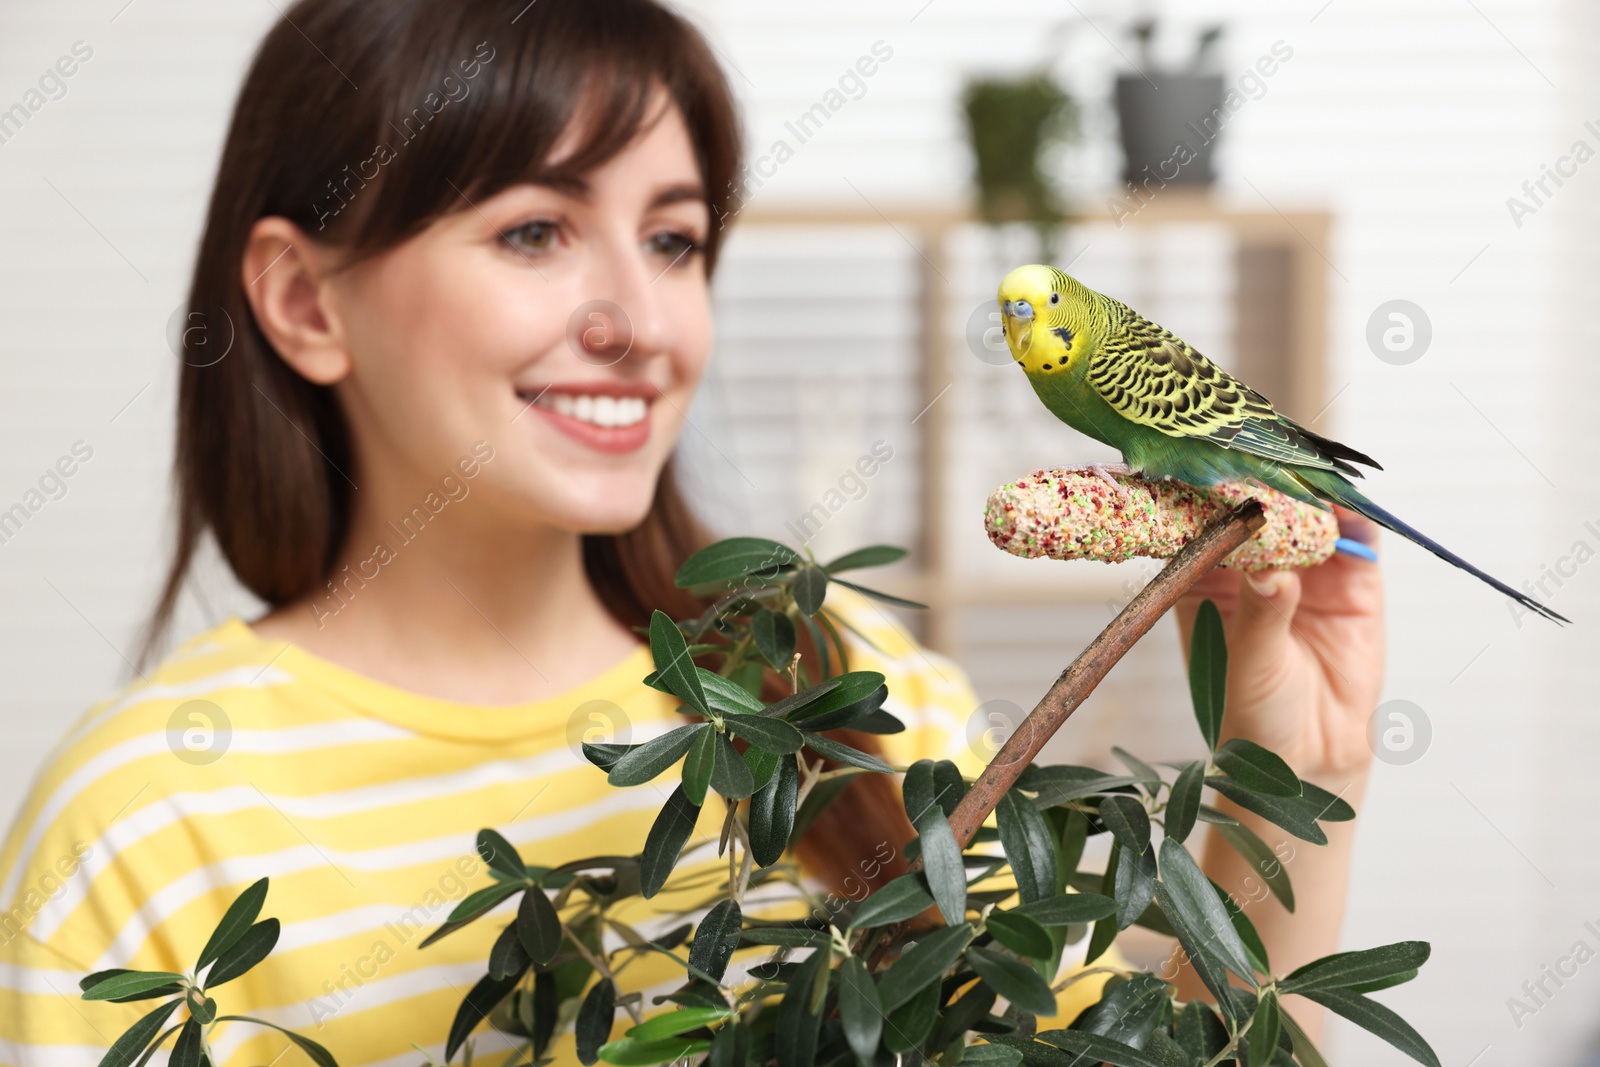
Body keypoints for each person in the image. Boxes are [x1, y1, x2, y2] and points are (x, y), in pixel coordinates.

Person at [0, 0, 1383, 1062]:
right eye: (534, 231)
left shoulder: (871, 700)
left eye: (672, 241)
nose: (643, 323)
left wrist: (1293, 776)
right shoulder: (141, 828)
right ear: (306, 303)